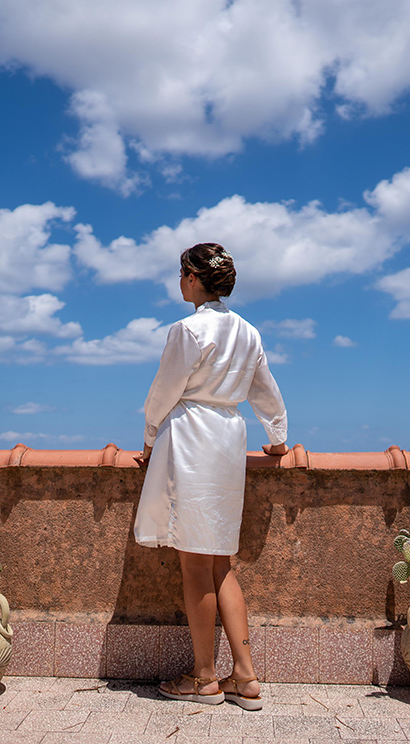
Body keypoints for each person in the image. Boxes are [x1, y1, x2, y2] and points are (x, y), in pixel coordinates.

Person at [133, 242, 288, 711]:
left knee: (195, 563)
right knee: (221, 562)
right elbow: (265, 390)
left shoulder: (187, 329)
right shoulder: (248, 332)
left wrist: (147, 437)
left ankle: (204, 680)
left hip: (193, 438)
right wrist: (278, 439)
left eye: (182, 273)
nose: (179, 281)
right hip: (228, 440)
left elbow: (165, 389)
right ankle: (246, 677)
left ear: (195, 278)